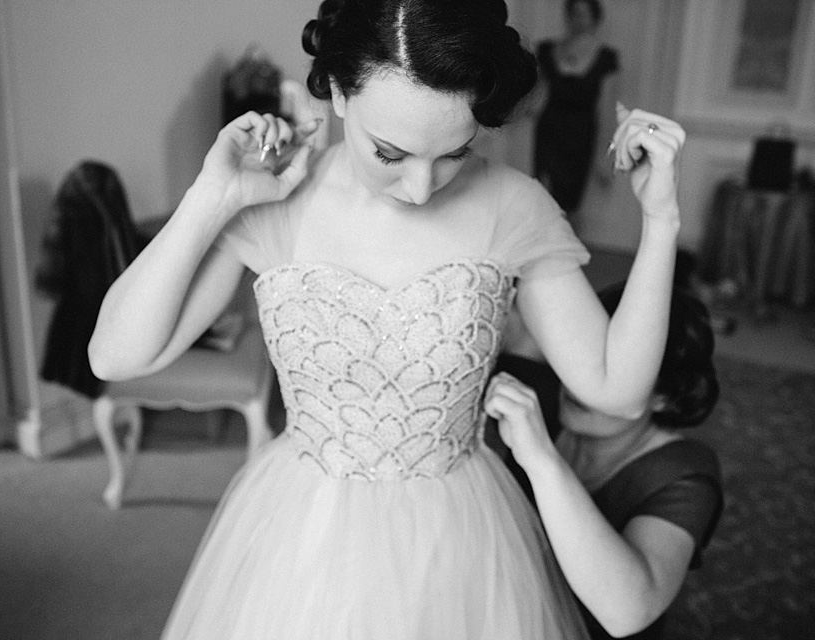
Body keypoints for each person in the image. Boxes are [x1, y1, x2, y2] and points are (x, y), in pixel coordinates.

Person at [87, 1, 686, 637]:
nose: (422, 189)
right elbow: (115, 357)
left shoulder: (514, 207)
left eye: (454, 154)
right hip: (301, 534)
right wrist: (213, 198)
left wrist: (661, 220)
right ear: (339, 92)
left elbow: (617, 393)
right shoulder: (277, 201)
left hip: (460, 539)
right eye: (391, 153)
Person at [485, 282, 724, 639]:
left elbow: (629, 611)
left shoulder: (684, 474)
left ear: (664, 396)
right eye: (586, 356)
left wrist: (543, 461)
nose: (581, 383)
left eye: (615, 368)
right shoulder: (542, 389)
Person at [532, 0, 620, 219]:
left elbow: (607, 107)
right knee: (542, 196)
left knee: (570, 202)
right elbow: (536, 95)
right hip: (550, 129)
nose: (579, 20)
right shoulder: (548, 50)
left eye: (585, 14)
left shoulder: (606, 57)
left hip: (581, 134)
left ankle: (566, 250)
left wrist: (605, 154)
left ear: (595, 18)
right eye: (575, 14)